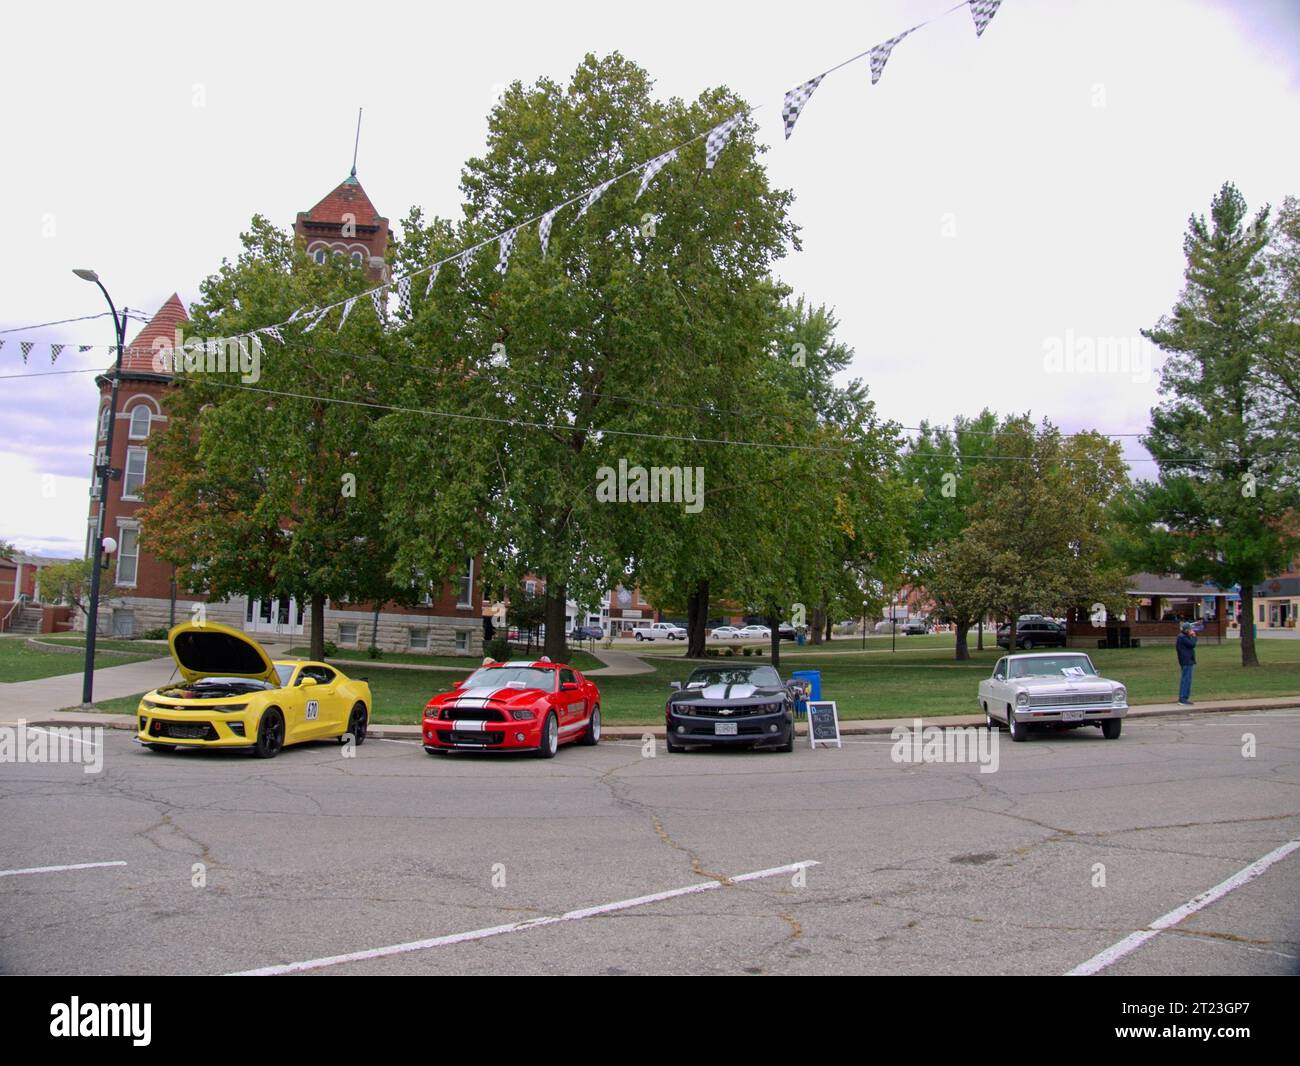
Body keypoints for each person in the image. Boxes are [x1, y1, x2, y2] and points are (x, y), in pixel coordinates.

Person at [1176, 621, 1198, 705]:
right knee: (1186, 680)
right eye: (1190, 629)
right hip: (1186, 661)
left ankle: (1184, 698)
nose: (1191, 630)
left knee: (1186, 679)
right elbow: (1192, 644)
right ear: (1186, 630)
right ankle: (1183, 698)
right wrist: (1194, 636)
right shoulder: (1183, 637)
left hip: (1186, 660)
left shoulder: (1182, 636)